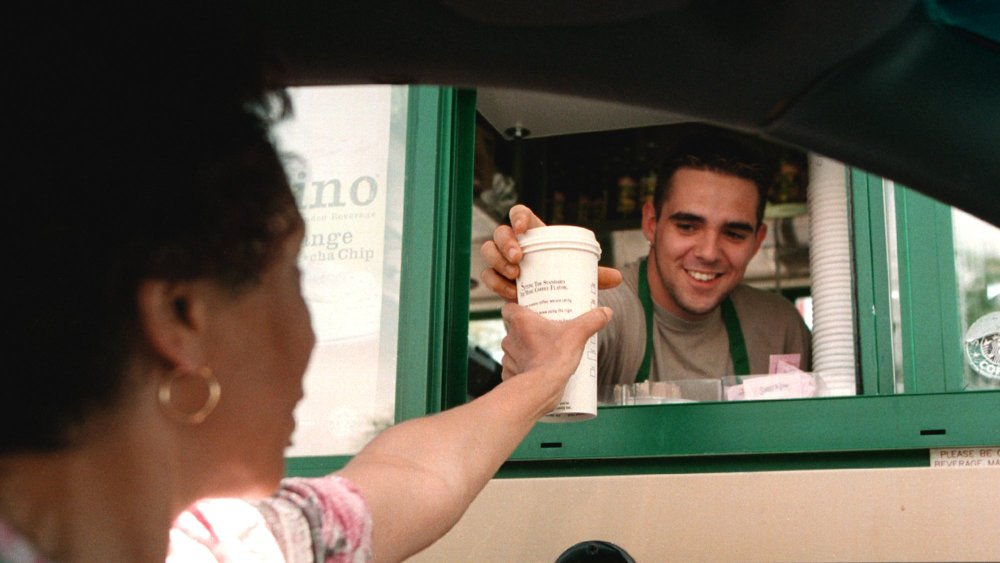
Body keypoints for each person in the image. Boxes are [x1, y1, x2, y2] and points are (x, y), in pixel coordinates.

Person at [1, 4, 611, 562]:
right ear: (181, 314)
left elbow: (414, 477)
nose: (312, 335)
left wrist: (539, 380)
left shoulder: (233, 546)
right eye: (295, 276)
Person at [481, 129, 812, 398]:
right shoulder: (610, 307)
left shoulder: (781, 328)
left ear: (757, 240)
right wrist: (547, 273)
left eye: (735, 233)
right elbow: (551, 358)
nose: (709, 251)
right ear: (652, 223)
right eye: (687, 226)